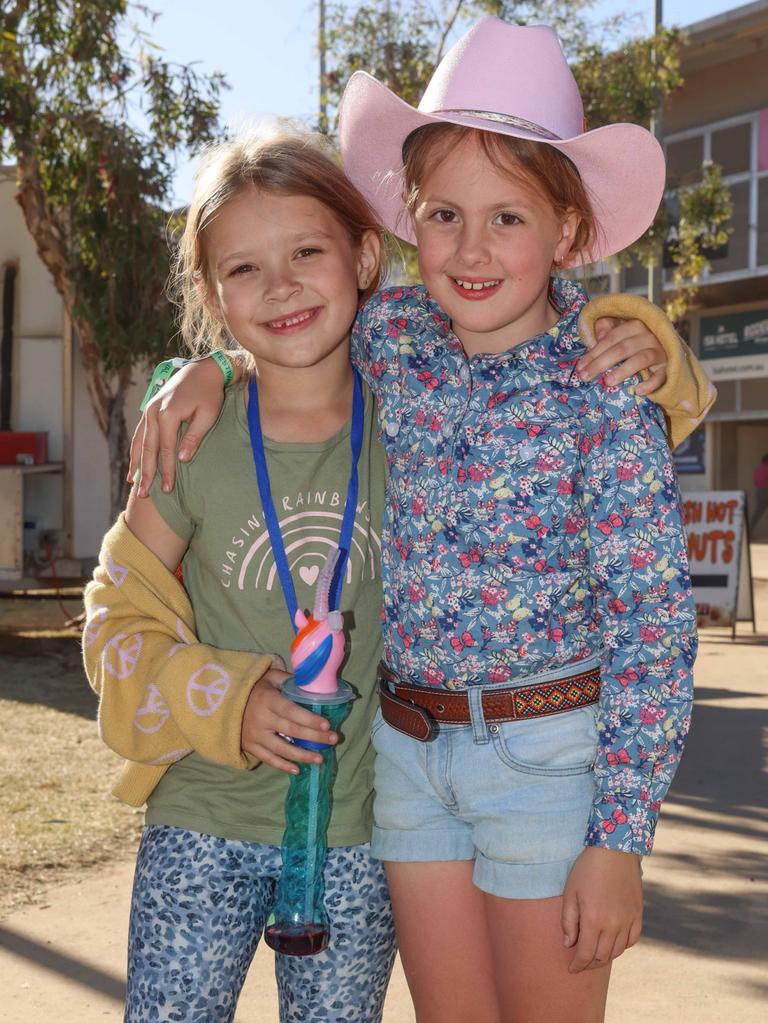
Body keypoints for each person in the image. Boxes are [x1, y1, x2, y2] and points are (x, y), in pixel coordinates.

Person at [121, 24, 708, 1023]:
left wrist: (622, 838)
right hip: (407, 761)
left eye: (509, 219)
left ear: (569, 235)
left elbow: (653, 630)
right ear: (405, 224)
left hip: (548, 763)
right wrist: (203, 371)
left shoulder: (605, 395)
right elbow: (284, 319)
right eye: (443, 215)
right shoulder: (393, 338)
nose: (472, 250)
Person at [83, 129, 394, 1023]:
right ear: (215, 297)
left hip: (355, 833)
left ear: (364, 254)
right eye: (246, 269)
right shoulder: (190, 436)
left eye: (307, 250)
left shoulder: (414, 417)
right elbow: (112, 618)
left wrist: (641, 341)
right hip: (200, 822)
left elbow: (534, 366)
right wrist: (226, 696)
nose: (283, 285)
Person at [751, 452, 768, 532]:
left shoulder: (757, 469)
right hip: (765, 491)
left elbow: (755, 482)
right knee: (759, 512)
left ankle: (750, 530)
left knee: (758, 512)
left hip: (759, 491)